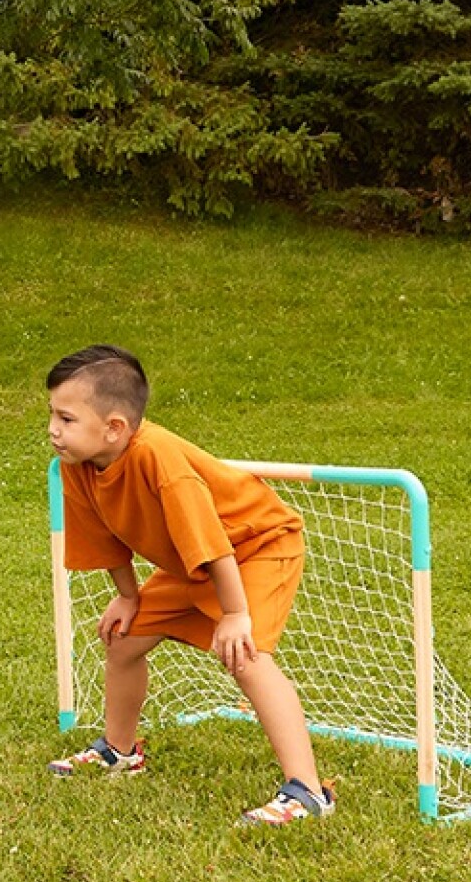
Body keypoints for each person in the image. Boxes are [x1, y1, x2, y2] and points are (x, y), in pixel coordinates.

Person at [43, 344, 333, 826]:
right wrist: (129, 597)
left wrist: (235, 614)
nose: (53, 429)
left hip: (256, 547)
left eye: (66, 418)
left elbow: (213, 543)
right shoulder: (77, 464)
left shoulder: (161, 460)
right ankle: (119, 750)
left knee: (246, 656)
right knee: (123, 641)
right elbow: (104, 541)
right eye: (52, 414)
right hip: (192, 564)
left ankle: (308, 792)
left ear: (114, 427)